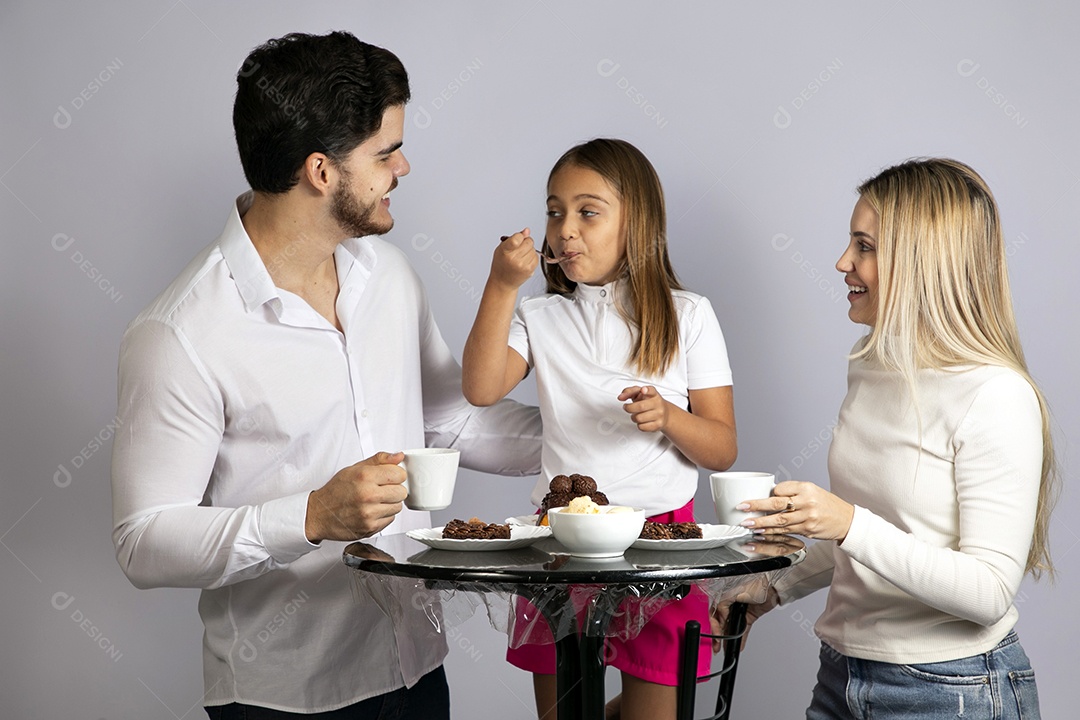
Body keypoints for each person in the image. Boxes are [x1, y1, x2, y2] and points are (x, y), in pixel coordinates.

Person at [110, 31, 542, 719]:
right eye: (385, 152)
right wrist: (309, 517)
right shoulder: (179, 334)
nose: (404, 166)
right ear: (320, 170)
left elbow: (449, 421)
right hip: (286, 699)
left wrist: (598, 434)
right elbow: (144, 541)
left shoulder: (390, 276)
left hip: (416, 671)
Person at [731, 158, 1056, 719]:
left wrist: (845, 520)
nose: (842, 262)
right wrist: (768, 589)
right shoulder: (872, 364)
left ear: (923, 264)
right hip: (843, 673)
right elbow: (874, 540)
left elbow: (988, 592)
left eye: (865, 246)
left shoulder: (996, 394)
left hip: (952, 689)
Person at [462, 138, 738, 720]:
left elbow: (723, 448)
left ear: (635, 222)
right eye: (554, 210)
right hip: (558, 542)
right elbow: (481, 388)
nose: (566, 228)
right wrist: (502, 286)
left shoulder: (688, 315)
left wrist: (669, 417)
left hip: (658, 544)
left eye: (588, 211)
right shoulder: (540, 316)